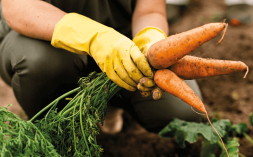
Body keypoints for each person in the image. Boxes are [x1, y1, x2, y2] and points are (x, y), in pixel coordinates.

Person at [0, 0, 202, 134]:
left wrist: (148, 45)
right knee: (41, 63)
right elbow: (17, 6)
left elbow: (150, 10)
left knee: (185, 113)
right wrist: (94, 37)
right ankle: (57, 134)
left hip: (125, 43)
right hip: (41, 39)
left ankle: (109, 103)